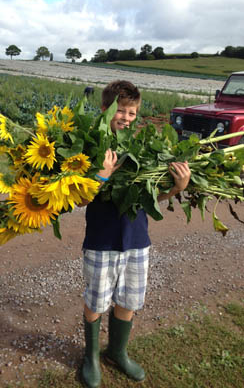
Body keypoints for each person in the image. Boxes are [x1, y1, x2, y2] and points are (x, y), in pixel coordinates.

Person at [81, 80, 191, 388]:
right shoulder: (91, 145)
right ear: (104, 110)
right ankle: (90, 357)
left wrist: (177, 188)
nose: (127, 118)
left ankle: (117, 351)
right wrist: (102, 174)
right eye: (121, 111)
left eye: (133, 113)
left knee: (129, 299)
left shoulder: (142, 147)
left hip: (137, 240)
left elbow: (153, 197)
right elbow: (80, 198)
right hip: (101, 240)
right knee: (96, 300)